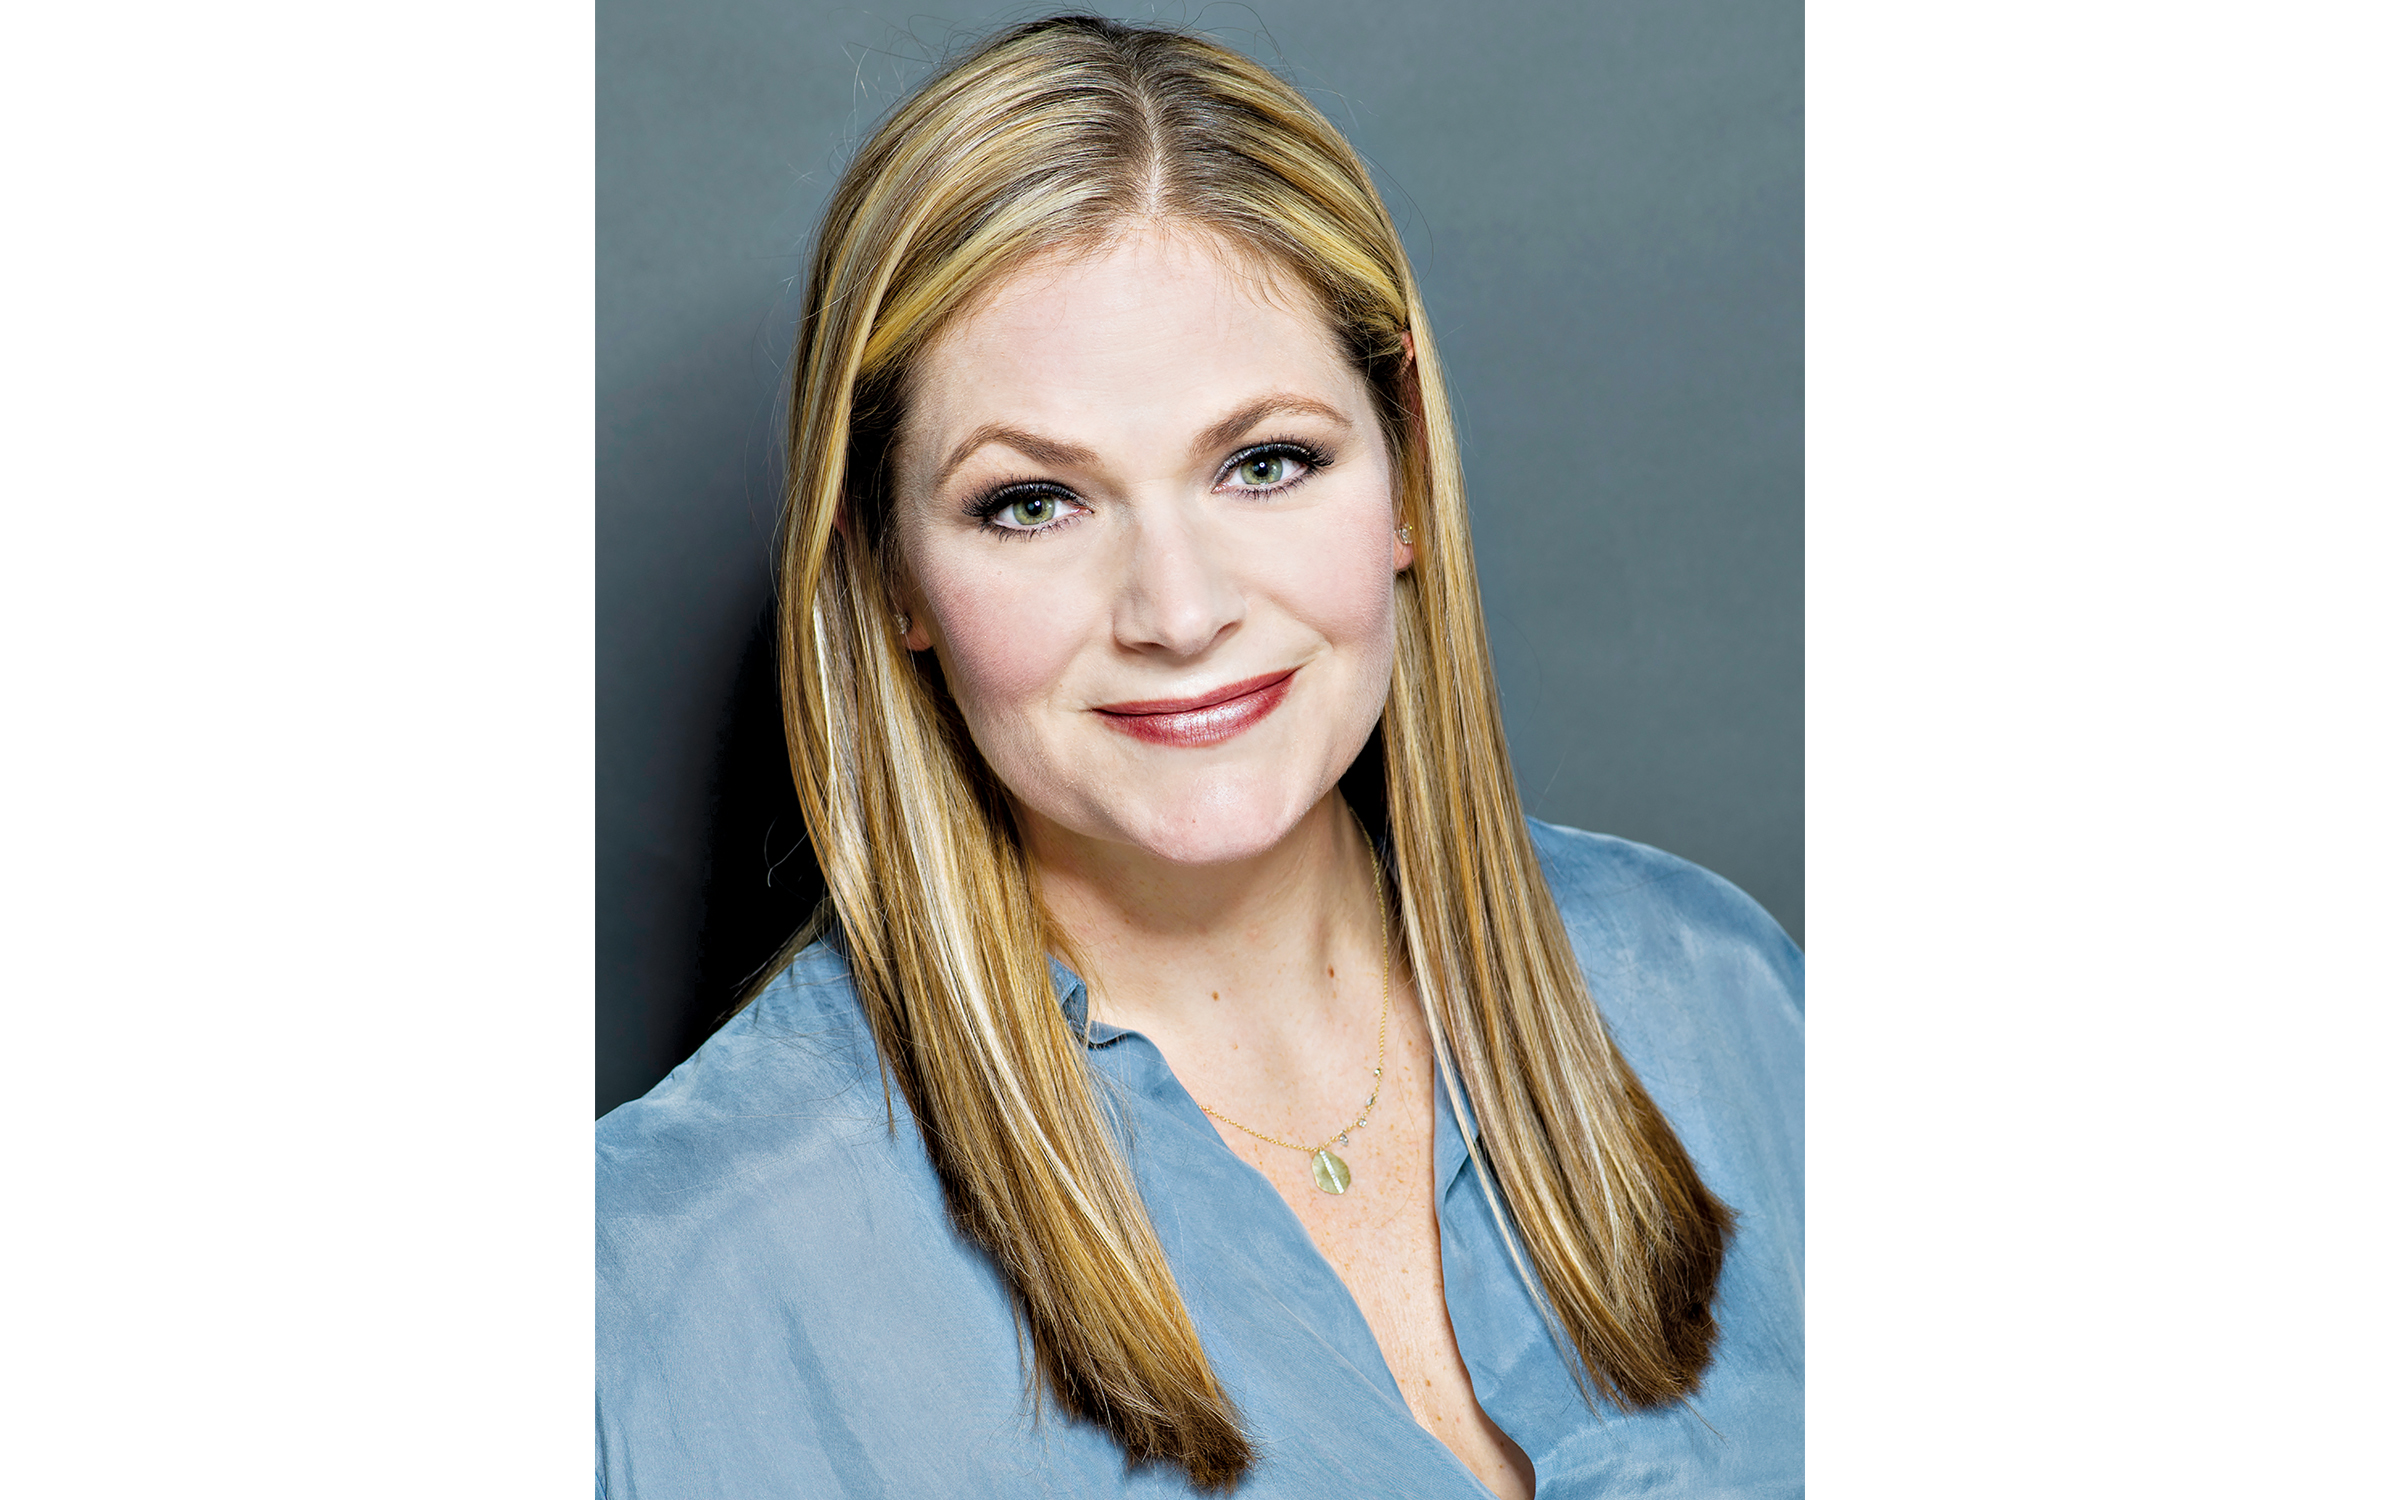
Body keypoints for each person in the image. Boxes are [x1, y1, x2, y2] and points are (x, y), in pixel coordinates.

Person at [596, 16, 1800, 1497]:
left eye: (1265, 464)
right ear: (889, 571)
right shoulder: (660, 1279)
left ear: (1407, 470)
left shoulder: (1724, 998)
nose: (1179, 613)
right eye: (1033, 502)